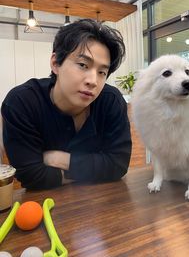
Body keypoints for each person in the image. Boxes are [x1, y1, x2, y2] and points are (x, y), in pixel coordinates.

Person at [1, 19, 132, 190]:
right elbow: (31, 176)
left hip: (100, 207)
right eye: (83, 65)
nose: (93, 81)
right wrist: (96, 167)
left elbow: (118, 165)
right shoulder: (22, 102)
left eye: (102, 72)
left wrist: (60, 159)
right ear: (56, 63)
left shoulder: (111, 100)